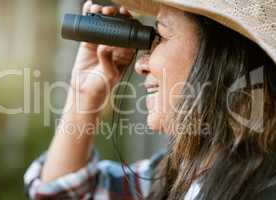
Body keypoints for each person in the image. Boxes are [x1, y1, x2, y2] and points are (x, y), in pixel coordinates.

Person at [24, 0, 276, 199]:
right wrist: (84, 96)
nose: (141, 64)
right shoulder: (184, 176)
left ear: (224, 58)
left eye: (161, 36)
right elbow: (63, 194)